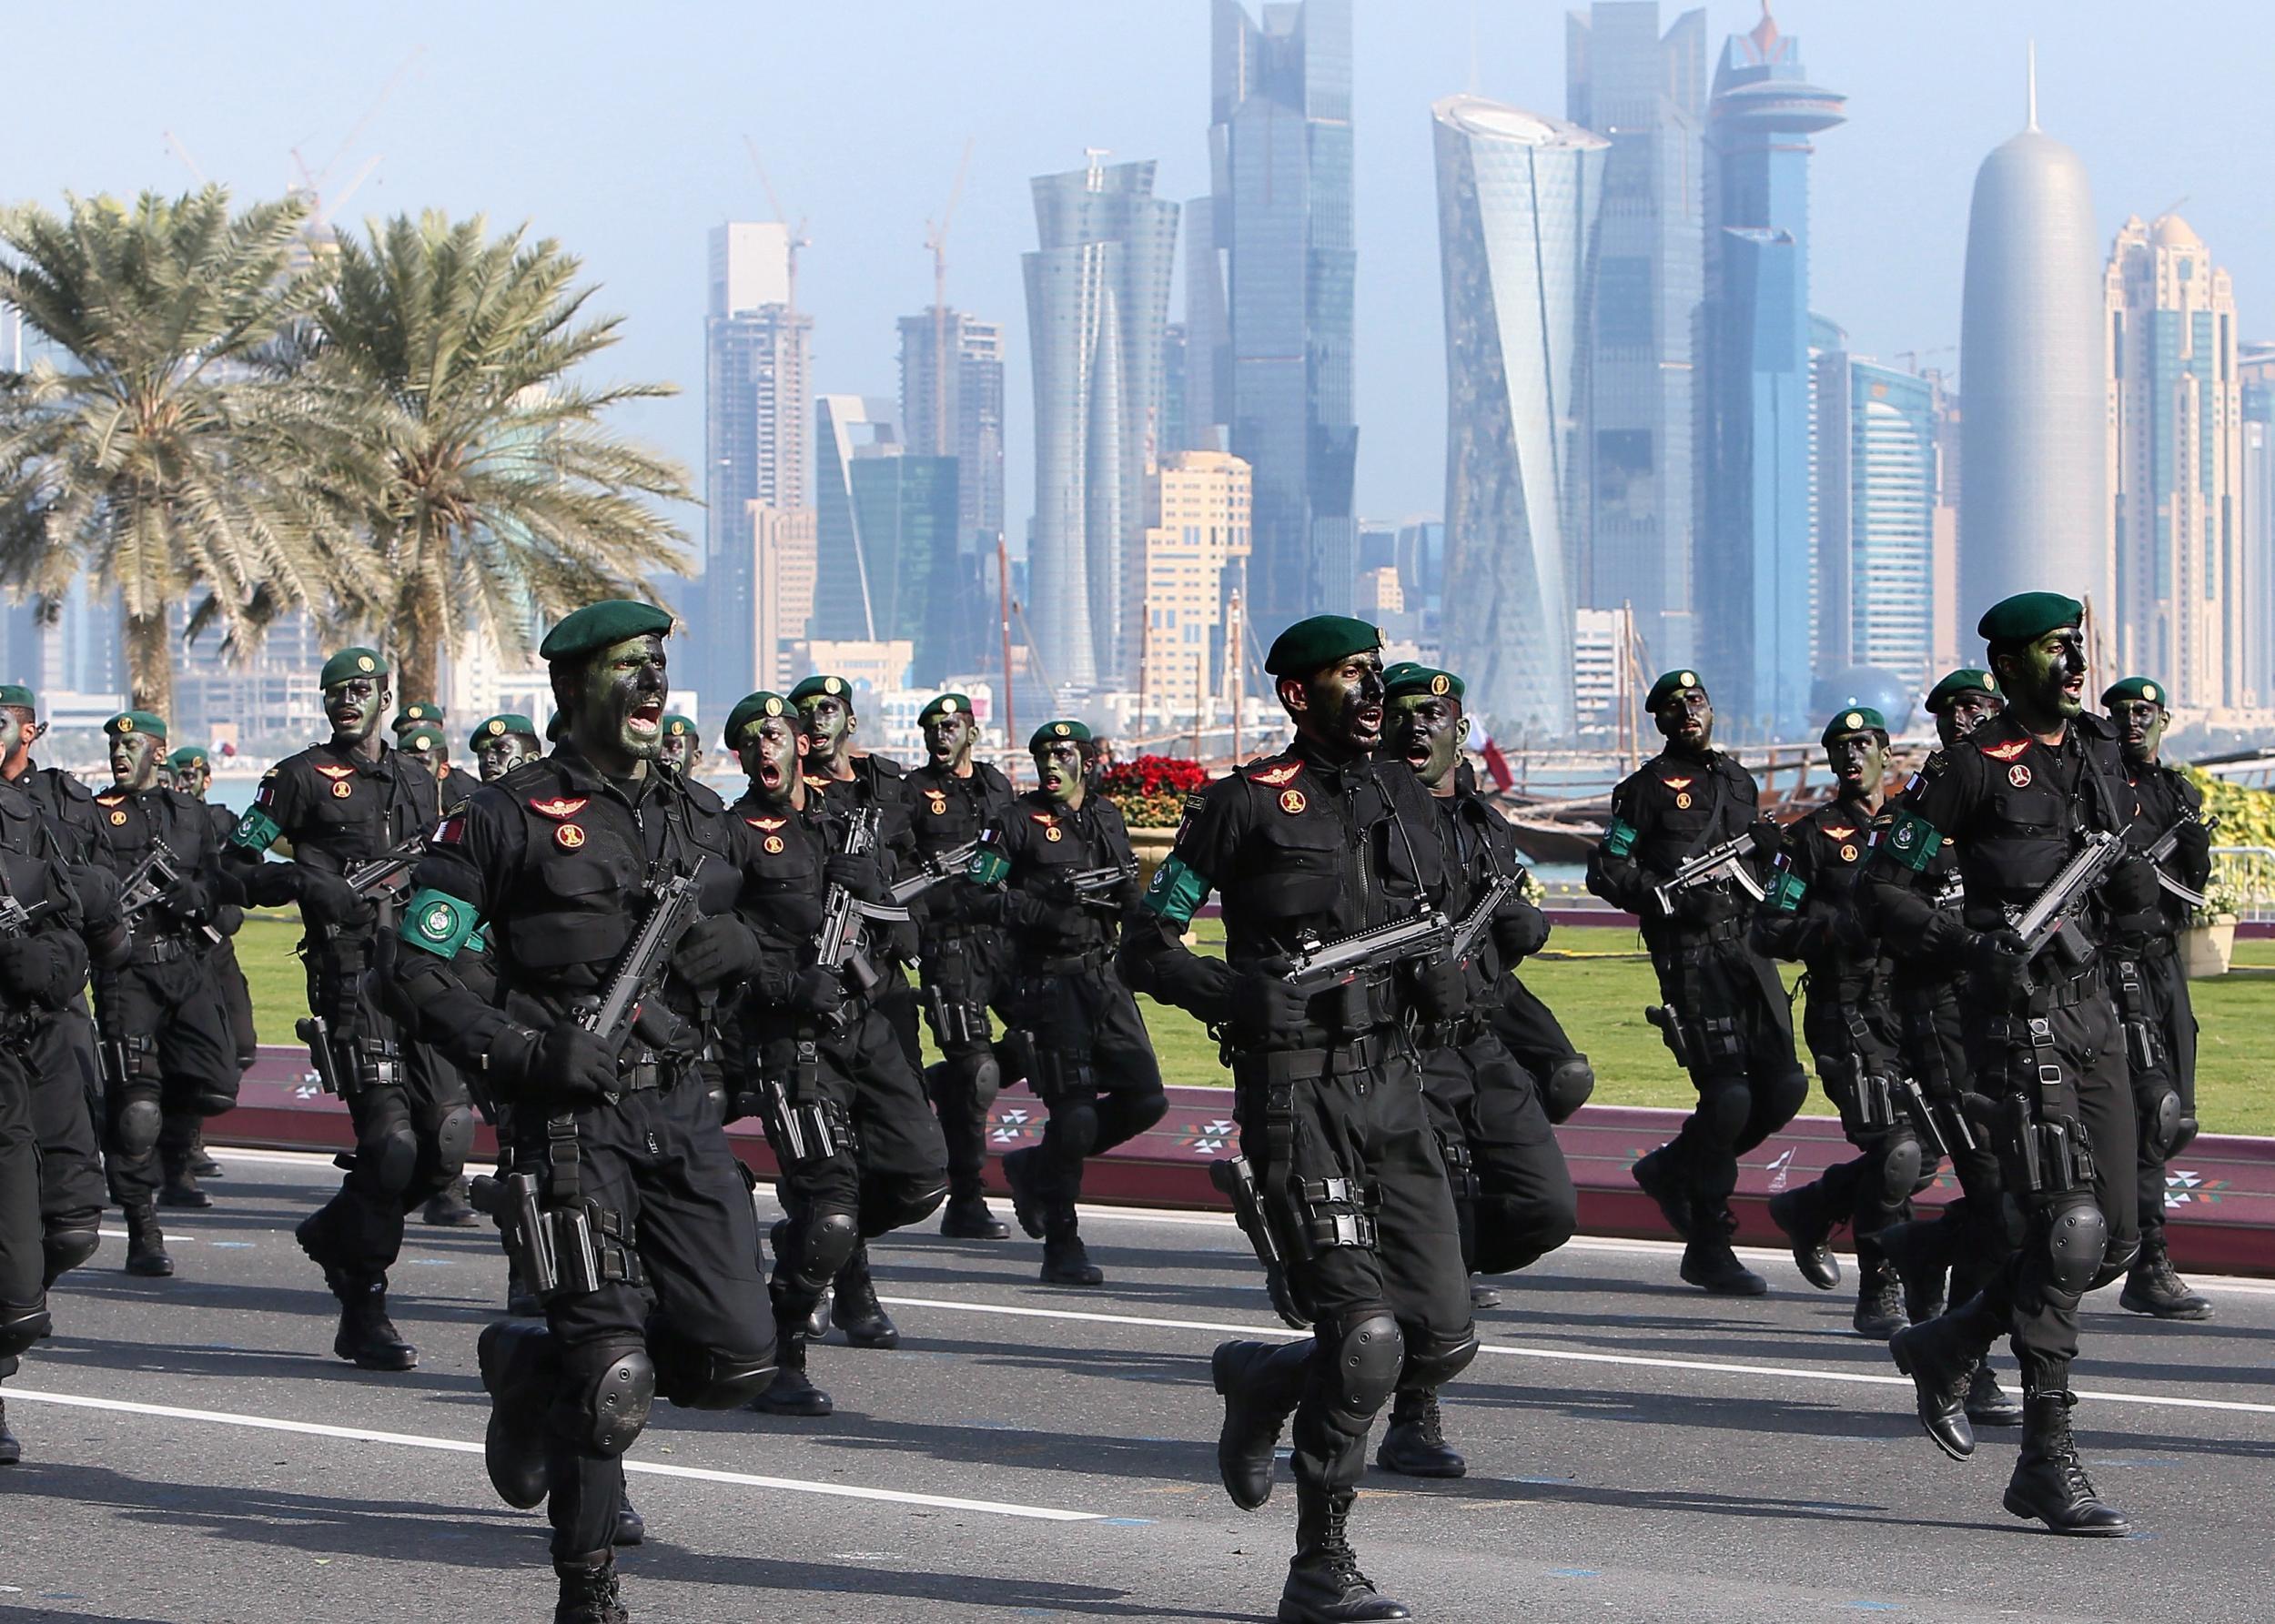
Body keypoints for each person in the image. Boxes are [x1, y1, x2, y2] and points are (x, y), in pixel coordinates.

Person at [388, 602, 777, 1623]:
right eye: (625, 669)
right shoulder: (500, 817)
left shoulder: (698, 814)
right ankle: (588, 1589)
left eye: (658, 666)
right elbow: (418, 969)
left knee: (739, 1361)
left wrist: (737, 955)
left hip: (682, 1115)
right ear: (570, 689)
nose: (651, 685)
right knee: (615, 1375)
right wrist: (519, 1050)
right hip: (567, 1126)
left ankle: (526, 1366)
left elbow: (767, 933)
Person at [1123, 615, 1474, 1624]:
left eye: (1375, 673)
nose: (1373, 692)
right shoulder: (1239, 807)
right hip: (1296, 1091)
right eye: (1350, 677)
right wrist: (1229, 993)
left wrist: (1449, 979)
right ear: (1295, 695)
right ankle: (1320, 1562)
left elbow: (1437, 922)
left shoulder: (1404, 795)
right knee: (1365, 1338)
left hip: (1395, 1090)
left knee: (1440, 1340)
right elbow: (1146, 945)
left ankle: (1269, 1374)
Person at [1869, 592, 2152, 1536]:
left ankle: (1949, 1338)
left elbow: (2132, 894)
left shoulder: (2101, 753)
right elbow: (1883, 889)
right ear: (2006, 668)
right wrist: (1965, 943)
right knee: (2067, 1226)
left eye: (2075, 647)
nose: (2071, 664)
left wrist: (2136, 895)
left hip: (2093, 1009)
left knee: (2113, 1239)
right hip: (2018, 1014)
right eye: (2050, 651)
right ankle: (2045, 1457)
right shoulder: (1966, 769)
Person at [227, 647, 472, 1371]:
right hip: (352, 980)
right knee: (391, 1144)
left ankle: (339, 1229)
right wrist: (304, 881)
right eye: (336, 690)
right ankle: (363, 1303)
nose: (347, 700)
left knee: (447, 1139)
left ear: (386, 696)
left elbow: (454, 872)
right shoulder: (298, 777)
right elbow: (232, 865)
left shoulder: (420, 778)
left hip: (425, 977)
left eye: (361, 689)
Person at [716, 690, 948, 1413]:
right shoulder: (730, 835)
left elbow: (901, 920)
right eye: (754, 741)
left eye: (778, 736)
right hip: (794, 1040)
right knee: (833, 1208)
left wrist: (880, 892)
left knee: (922, 1178)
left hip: (868, 1023)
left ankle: (814, 1239)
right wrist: (785, 985)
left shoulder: (840, 824)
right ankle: (782, 1353)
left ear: (798, 746)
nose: (768, 750)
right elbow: (705, 942)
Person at [1370, 662, 1574, 1479]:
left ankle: (1420, 1268)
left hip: (1481, 1040)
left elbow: (1503, 911)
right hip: (1405, 1042)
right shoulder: (1366, 818)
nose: (1419, 726)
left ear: (1462, 729)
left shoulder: (1486, 822)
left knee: (1545, 1206)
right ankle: (1412, 1409)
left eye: (1436, 714)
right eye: (1404, 714)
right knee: (1440, 1206)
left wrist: (1520, 924)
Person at [1586, 670, 1806, 1296]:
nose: (1688, 711)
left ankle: (1674, 1166)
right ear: (1659, 721)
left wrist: (1767, 852)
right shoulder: (1642, 790)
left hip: (1748, 948)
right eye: (1675, 706)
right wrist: (1674, 906)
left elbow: (1758, 869)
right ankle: (1709, 1241)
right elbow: (1608, 871)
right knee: (1728, 1098)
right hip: (1691, 955)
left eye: (1698, 700)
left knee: (1786, 1085)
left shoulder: (1740, 781)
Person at [1850, 671, 2024, 1430]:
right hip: (1943, 1009)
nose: (1972, 718)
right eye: (1959, 710)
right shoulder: (1927, 803)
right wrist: (1961, 943)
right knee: (1990, 1183)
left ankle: (1921, 1250)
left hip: (2015, 1010)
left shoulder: (2016, 795)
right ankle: (1966, 1355)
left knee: (2021, 1187)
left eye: (1983, 708)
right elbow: (1882, 894)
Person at [971, 720, 1164, 1286]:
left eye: (1063, 754)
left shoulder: (1106, 816)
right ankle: (1062, 1240)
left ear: (1086, 760)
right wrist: (1038, 906)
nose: (1051, 764)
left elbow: (1125, 883)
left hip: (1104, 979)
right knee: (1075, 1114)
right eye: (1043, 755)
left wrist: (1143, 915)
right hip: (1049, 984)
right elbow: (975, 895)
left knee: (1146, 1100)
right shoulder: (1013, 823)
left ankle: (1035, 1166)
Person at [1755, 709, 1924, 1338]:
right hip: (1845, 1013)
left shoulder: (1916, 831)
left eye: (1863, 744)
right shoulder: (1809, 838)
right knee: (1894, 1148)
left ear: (1886, 752)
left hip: (1915, 1011)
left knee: (1921, 1150)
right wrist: (1832, 928)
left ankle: (1813, 1205)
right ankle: (1880, 1288)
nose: (1852, 755)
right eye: (1840, 747)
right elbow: (1769, 927)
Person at [790, 673, 929, 1331]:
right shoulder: (782, 797)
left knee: (916, 1165)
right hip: (816, 993)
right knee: (826, 1154)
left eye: (829, 710)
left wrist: (883, 888)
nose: (817, 721)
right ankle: (842, 1279)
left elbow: (917, 903)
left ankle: (822, 1249)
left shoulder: (888, 792)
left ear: (849, 718)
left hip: (884, 988)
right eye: (806, 712)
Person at [86, 711, 241, 1266]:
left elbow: (222, 883)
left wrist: (200, 898)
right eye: (114, 746)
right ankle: (141, 1227)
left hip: (189, 965)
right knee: (136, 1108)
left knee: (217, 1082)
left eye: (131, 745)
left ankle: (176, 1160)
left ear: (159, 751)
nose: (119, 755)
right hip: (127, 973)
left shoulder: (189, 814)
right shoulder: (95, 816)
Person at [0, 725, 99, 1467]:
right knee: (18, 1299)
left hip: (44, 1036)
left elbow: (74, 922)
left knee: (71, 1227)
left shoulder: (26, 815)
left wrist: (50, 960)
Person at [2102, 677, 2214, 1321]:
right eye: (2120, 713)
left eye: (2143, 712)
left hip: (2164, 960)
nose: (2132, 722)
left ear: (2165, 718)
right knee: (2154, 1106)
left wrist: (2193, 858)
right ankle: (2147, 1258)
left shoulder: (2177, 792)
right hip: (2116, 966)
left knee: (2181, 1116)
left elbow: (2189, 892)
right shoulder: (2098, 788)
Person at [0, 687, 111, 1288]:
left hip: (59, 1011)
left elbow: (99, 901)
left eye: (8, 722)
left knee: (71, 1223)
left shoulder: (62, 801)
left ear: (30, 732)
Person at [905, 692, 1017, 1239]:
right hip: (948, 948)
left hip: (1004, 941)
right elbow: (897, 869)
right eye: (931, 727)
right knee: (979, 1071)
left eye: (950, 726)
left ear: (971, 731)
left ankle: (940, 1087)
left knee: (1053, 1037)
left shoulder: (996, 785)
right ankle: (966, 1199)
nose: (940, 735)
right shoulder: (911, 794)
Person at [167, 744, 258, 1155]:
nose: (186, 782)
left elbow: (246, 869)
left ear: (207, 780)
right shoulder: (167, 822)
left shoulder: (224, 820)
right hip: (181, 945)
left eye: (193, 775)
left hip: (219, 943)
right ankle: (186, 1145)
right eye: (180, 775)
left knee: (241, 1042)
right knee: (185, 1052)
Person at [470, 713, 546, 782]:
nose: (489, 759)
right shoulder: (476, 797)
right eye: (481, 754)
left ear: (531, 760)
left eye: (502, 750)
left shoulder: (552, 795)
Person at [657, 713, 703, 779]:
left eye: (673, 748)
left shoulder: (700, 789)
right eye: (656, 749)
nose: (662, 756)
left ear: (696, 758)